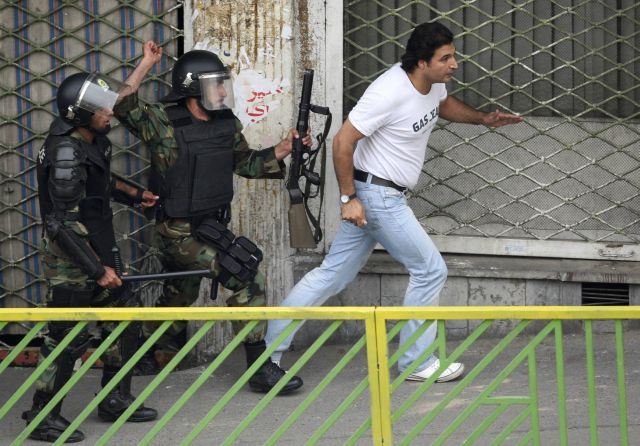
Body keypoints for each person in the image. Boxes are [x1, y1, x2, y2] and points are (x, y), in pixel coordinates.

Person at [266, 22, 523, 382]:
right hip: (377, 197)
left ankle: (267, 354)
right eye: (446, 58)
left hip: (381, 195)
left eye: (453, 55)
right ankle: (417, 363)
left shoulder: (433, 86)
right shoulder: (387, 93)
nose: (454, 64)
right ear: (421, 62)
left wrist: (483, 119)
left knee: (331, 276)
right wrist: (349, 198)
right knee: (430, 269)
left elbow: (443, 105)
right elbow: (342, 142)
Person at [113, 42, 307, 394]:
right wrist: (146, 63)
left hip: (210, 226)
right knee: (246, 277)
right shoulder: (163, 122)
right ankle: (260, 370)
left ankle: (147, 350)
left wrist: (283, 148)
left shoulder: (225, 123)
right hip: (176, 230)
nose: (222, 90)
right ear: (193, 89)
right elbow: (121, 104)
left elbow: (246, 163)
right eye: (215, 83)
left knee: (179, 293)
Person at [24, 72, 160, 443]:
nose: (109, 112)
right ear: (79, 112)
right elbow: (58, 225)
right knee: (67, 336)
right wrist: (97, 270)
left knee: (127, 316)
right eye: (101, 107)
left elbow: (99, 183)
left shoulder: (91, 142)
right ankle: (43, 415)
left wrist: (136, 195)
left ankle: (115, 397)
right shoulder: (65, 150)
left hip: (96, 252)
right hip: (72, 260)